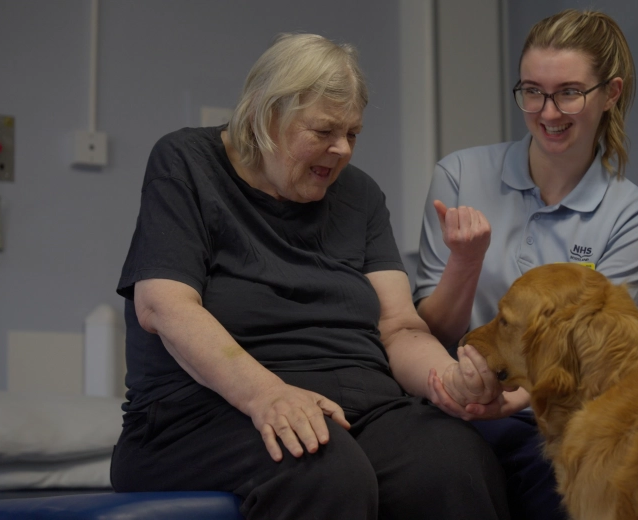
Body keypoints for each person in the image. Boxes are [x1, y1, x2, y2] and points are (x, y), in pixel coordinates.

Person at [110, 33, 511, 519]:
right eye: (323, 132)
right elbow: (164, 307)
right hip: (205, 409)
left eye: (353, 134)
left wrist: (447, 379)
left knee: (453, 462)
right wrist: (268, 394)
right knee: (322, 467)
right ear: (264, 116)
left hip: (364, 405)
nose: (342, 150)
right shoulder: (187, 163)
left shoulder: (360, 195)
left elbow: (399, 327)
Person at [415, 9, 638, 520]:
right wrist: (465, 262)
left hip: (553, 418)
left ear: (610, 94)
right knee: (444, 475)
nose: (548, 111)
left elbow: (586, 355)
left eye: (569, 92)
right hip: (453, 404)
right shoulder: (460, 175)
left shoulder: (634, 216)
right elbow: (433, 329)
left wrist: (508, 402)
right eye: (532, 91)